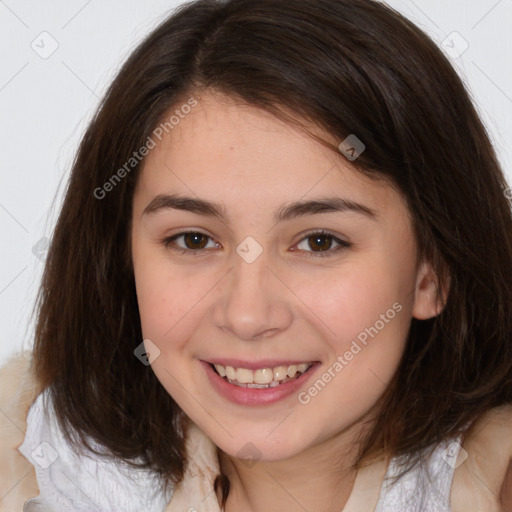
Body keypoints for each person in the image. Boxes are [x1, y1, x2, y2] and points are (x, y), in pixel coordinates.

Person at [1, 0, 511, 510]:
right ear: (122, 257)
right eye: (194, 240)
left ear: (433, 273)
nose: (247, 316)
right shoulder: (38, 463)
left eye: (319, 242)